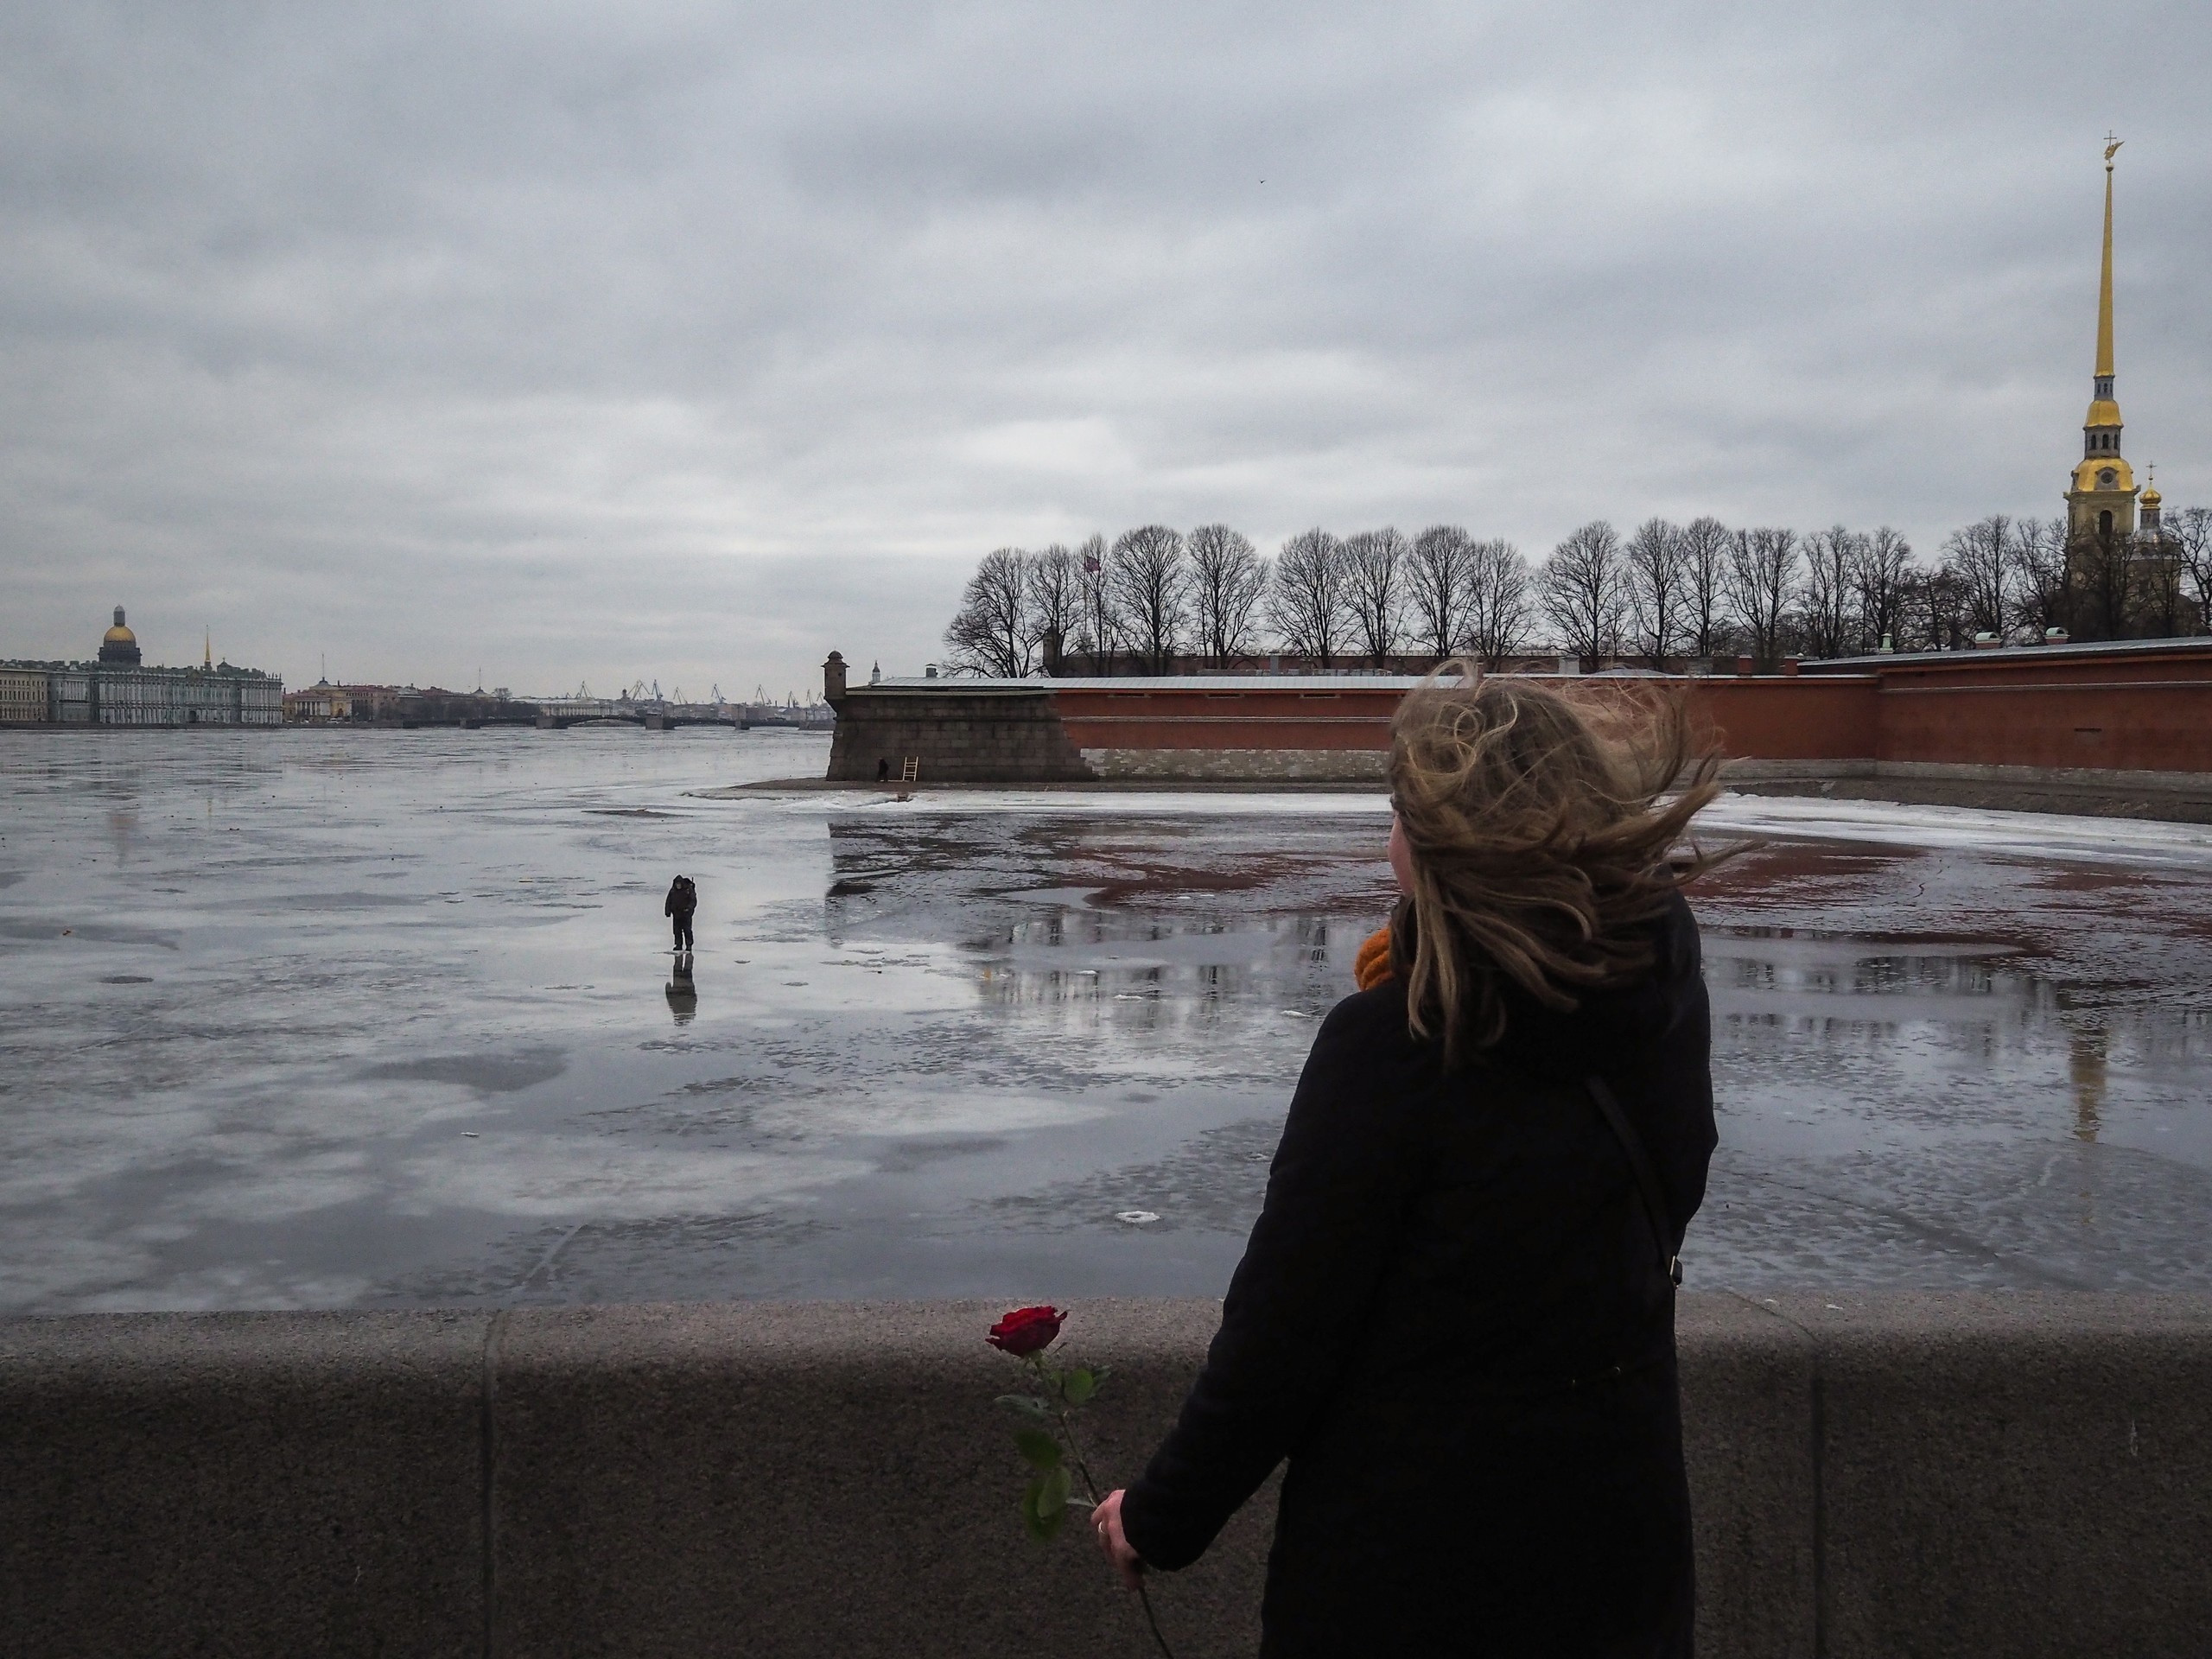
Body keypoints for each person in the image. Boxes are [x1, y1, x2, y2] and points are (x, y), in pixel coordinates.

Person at [1091, 668, 1725, 1657]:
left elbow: (1285, 1332)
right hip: (1616, 1538)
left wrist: (1160, 1516)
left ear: (1440, 842)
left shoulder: (1394, 1046)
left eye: (1398, 813)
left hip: (1418, 1565)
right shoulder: (1656, 989)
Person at [664, 874, 696, 953]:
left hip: (686, 914)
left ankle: (689, 945)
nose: (678, 885)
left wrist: (689, 908)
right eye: (677, 884)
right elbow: (668, 901)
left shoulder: (688, 890)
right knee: (677, 931)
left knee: (687, 930)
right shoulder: (672, 891)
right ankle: (678, 945)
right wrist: (667, 911)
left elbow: (693, 901)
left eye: (679, 884)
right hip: (676, 914)